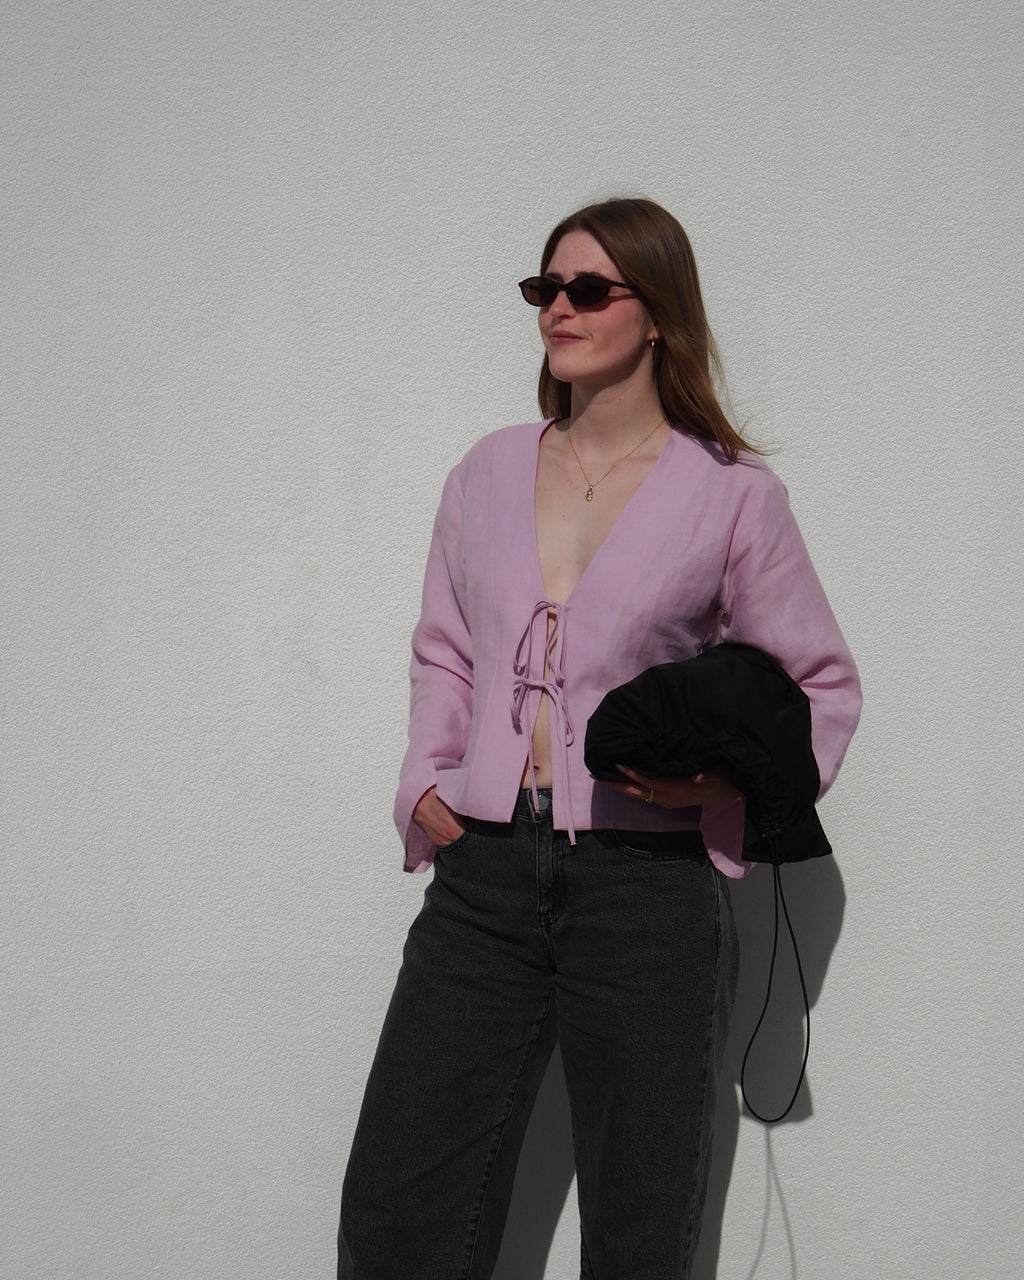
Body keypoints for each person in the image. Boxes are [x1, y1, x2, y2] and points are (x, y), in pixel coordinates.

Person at [337, 197, 861, 1280]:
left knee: (638, 1220)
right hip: (481, 878)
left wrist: (719, 784)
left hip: (646, 889)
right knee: (400, 1204)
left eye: (587, 289)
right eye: (544, 289)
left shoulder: (732, 495)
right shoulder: (485, 470)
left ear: (657, 311)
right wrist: (425, 778)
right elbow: (447, 648)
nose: (558, 309)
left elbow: (820, 682)